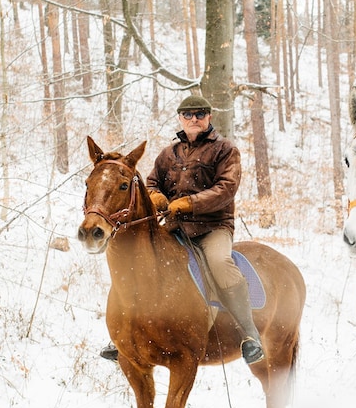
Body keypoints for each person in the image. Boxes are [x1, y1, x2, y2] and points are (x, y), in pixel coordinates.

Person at [99, 94, 265, 365]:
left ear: (209, 117)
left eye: (199, 114)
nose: (193, 119)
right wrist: (157, 198)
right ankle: (123, 335)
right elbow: (150, 183)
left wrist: (189, 203)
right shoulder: (169, 154)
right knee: (138, 263)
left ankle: (249, 334)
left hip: (213, 228)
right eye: (187, 115)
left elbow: (226, 189)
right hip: (175, 228)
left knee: (220, 263)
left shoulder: (225, 150)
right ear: (180, 118)